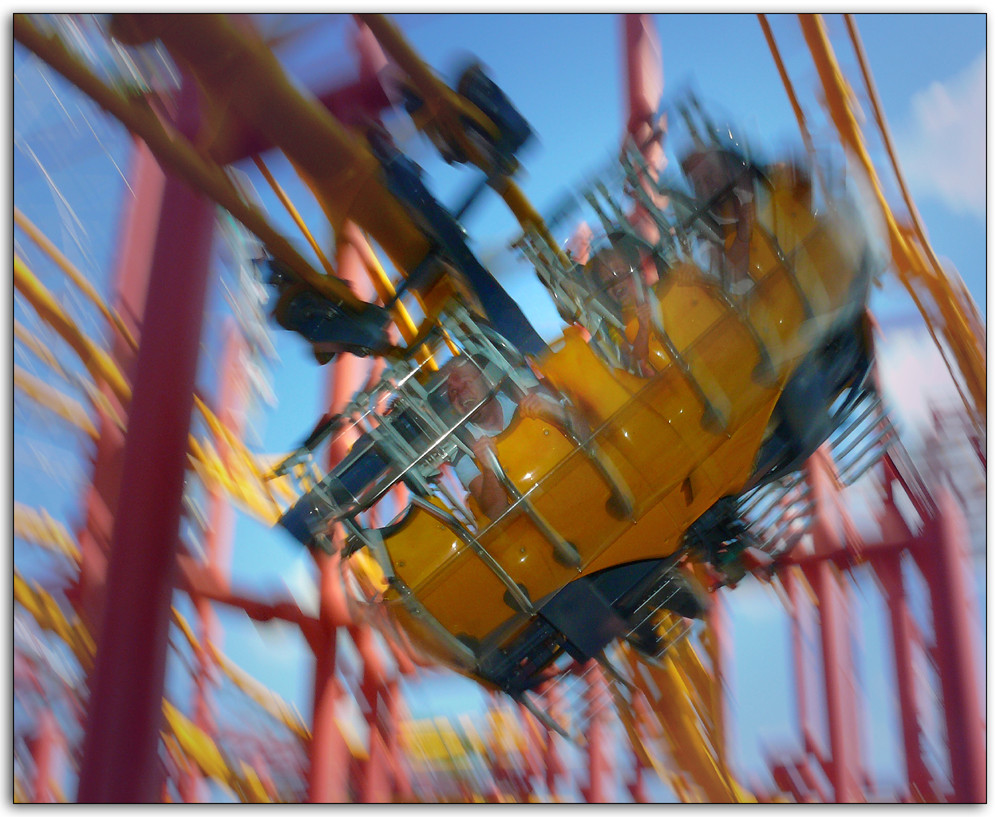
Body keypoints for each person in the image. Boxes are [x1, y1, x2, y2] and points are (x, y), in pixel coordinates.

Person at [444, 356, 578, 521]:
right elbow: (494, 513)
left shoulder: (521, 391)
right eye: (453, 392)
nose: (461, 395)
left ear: (487, 381)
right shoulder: (463, 448)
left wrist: (555, 412)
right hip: (538, 523)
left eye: (466, 384)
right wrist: (489, 469)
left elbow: (587, 433)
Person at [680, 147, 757, 294]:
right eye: (698, 182)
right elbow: (732, 275)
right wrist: (744, 233)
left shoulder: (754, 190)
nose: (707, 183)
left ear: (724, 171)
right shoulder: (705, 238)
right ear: (696, 192)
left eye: (710, 173)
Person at [585, 237, 657, 377]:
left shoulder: (663, 289)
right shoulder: (617, 325)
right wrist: (643, 328)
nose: (615, 283)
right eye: (607, 283)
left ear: (641, 275)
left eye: (620, 273)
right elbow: (635, 361)